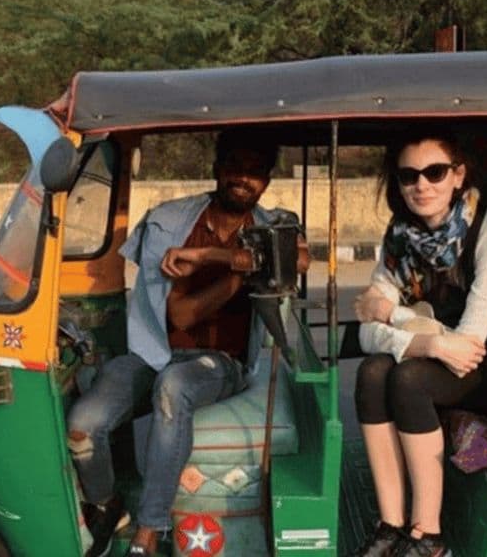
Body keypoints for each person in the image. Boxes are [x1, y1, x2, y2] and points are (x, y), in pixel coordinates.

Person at [67, 129, 308, 557]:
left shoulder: (274, 225)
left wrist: (213, 260)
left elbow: (299, 259)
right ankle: (107, 504)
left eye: (255, 171)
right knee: (84, 426)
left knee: (173, 389)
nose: (244, 178)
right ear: (217, 169)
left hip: (219, 363)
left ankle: (150, 529)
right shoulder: (173, 221)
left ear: (267, 180)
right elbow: (178, 316)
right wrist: (240, 271)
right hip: (152, 352)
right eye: (235, 165)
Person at [352, 131, 487, 557]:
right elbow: (366, 332)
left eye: (434, 172)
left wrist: (392, 316)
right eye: (409, 176)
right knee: (372, 372)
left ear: (458, 176)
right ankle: (391, 524)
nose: (421, 185)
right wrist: (423, 339)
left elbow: (470, 345)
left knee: (409, 379)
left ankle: (429, 535)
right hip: (444, 360)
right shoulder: (400, 238)